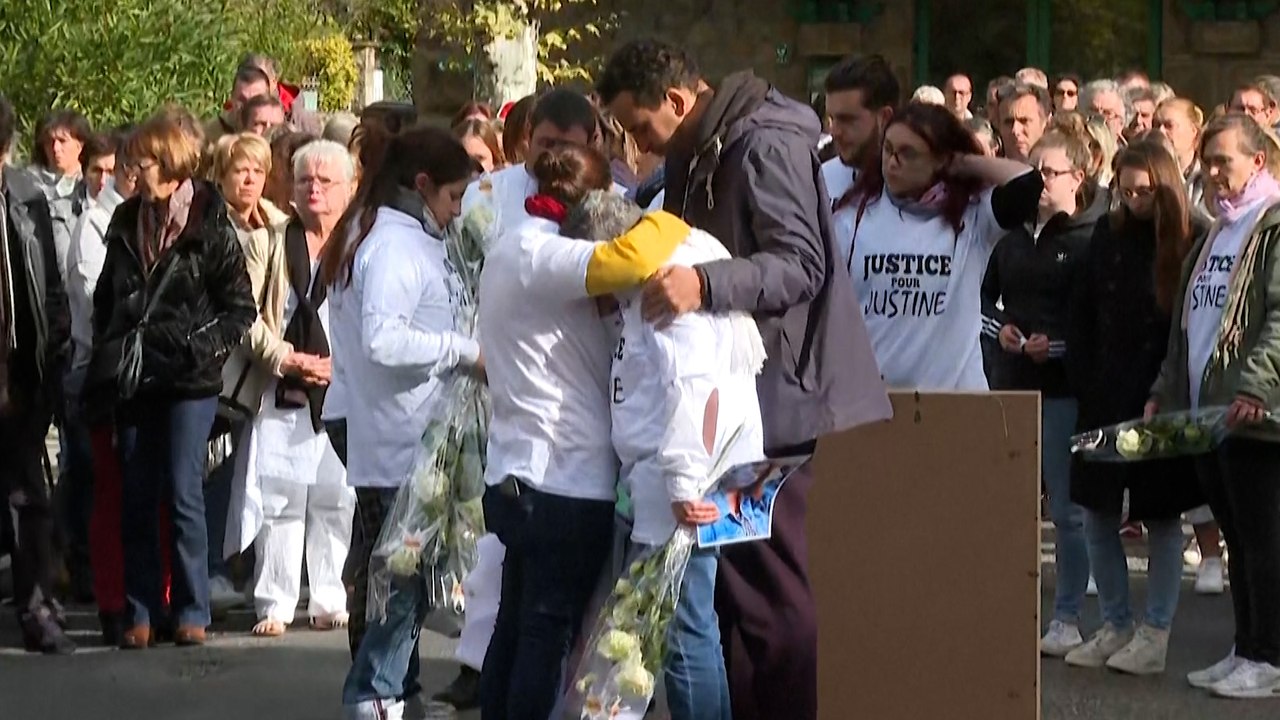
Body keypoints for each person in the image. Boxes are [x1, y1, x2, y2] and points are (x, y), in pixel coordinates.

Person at [599, 39, 891, 720]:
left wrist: (703, 284)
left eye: (641, 127)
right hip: (728, 399)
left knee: (767, 597)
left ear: (678, 100)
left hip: (771, 402)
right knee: (729, 597)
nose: (638, 147)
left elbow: (801, 264)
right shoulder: (701, 143)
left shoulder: (762, 142)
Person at [534, 145, 767, 720]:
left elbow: (694, 388)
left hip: (683, 479)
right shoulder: (678, 258)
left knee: (683, 632)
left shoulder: (664, 288)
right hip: (685, 471)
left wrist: (683, 483)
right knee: (682, 626)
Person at [324, 126, 480, 720]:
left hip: (412, 433)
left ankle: (394, 690)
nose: (457, 211)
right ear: (421, 185)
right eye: (453, 197)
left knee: (401, 574)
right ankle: (375, 691)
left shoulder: (402, 237)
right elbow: (384, 340)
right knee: (402, 577)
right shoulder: (392, 245)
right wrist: (463, 351)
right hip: (399, 439)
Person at [86, 111, 256, 649]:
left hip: (189, 381)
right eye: (133, 163)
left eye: (145, 162)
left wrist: (194, 348)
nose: (135, 172)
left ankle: (191, 609)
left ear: (171, 163)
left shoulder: (208, 221)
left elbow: (240, 309)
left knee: (183, 491)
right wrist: (115, 347)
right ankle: (140, 611)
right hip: (137, 376)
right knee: (137, 494)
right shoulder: (125, 220)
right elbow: (106, 299)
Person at [1064, 140, 1207, 675]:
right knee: (1095, 511)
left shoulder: (1191, 236)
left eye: (1144, 190)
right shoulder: (1108, 231)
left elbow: (1186, 325)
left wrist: (1166, 391)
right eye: (1125, 191)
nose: (1134, 200)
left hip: (1159, 395)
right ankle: (1116, 622)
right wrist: (1084, 377)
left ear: (1164, 185)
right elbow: (1083, 311)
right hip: (1103, 390)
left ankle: (1156, 632)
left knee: (1161, 516)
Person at [1150, 113, 1280, 700]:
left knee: (1262, 541)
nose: (1212, 171)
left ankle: (1269, 657)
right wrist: (1165, 390)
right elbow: (1188, 325)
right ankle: (1247, 647)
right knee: (1238, 539)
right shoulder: (1215, 233)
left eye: (1223, 160)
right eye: (1206, 162)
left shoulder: (1271, 227)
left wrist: (1257, 387)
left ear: (1257, 161)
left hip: (1255, 416)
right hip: (1208, 416)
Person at [980, 124, 1103, 658]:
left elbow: (1099, 320)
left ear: (1079, 177)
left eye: (1050, 172)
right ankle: (1007, 610)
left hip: (1063, 392)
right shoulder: (1008, 238)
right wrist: (1001, 329)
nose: (1040, 182)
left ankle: (1067, 617)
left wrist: (1056, 346)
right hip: (1010, 386)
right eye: (1034, 172)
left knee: (1067, 512)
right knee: (1009, 507)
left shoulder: (1090, 239)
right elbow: (982, 300)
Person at [229, 139, 356, 638]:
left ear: (349, 188)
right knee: (279, 498)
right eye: (305, 180)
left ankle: (328, 596)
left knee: (335, 497)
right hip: (283, 385)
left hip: (342, 386)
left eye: (325, 181)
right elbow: (244, 312)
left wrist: (342, 365)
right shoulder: (269, 241)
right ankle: (276, 601)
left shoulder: (360, 242)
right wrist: (285, 357)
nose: (314, 189)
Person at [842, 101, 1040, 390]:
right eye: (888, 149)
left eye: (908, 153)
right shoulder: (855, 217)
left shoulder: (973, 214)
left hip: (955, 397)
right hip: (876, 395)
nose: (893, 162)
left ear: (940, 160)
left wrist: (964, 162)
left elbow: (1027, 184)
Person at [0, 94, 73, 654]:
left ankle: (37, 605)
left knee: (28, 492)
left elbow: (50, 288)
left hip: (21, 367)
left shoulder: (26, 198)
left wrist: (54, 356)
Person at [819, 54, 900, 232]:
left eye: (847, 120)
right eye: (832, 118)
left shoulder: (922, 191)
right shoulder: (822, 179)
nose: (834, 132)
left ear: (884, 117)